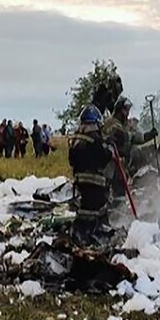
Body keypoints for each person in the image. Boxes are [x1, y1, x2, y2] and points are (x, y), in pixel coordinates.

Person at [68, 74, 123, 247]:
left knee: (85, 209)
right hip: (95, 181)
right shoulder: (95, 138)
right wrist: (109, 147)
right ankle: (91, 234)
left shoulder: (77, 136)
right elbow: (102, 157)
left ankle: (81, 232)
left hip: (79, 180)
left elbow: (72, 160)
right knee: (97, 211)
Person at [103, 96, 157, 197]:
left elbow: (136, 137)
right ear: (119, 110)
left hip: (120, 168)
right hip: (110, 167)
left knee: (119, 195)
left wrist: (148, 135)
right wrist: (133, 135)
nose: (127, 113)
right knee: (112, 195)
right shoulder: (111, 123)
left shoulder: (123, 125)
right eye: (125, 110)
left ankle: (117, 210)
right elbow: (124, 137)